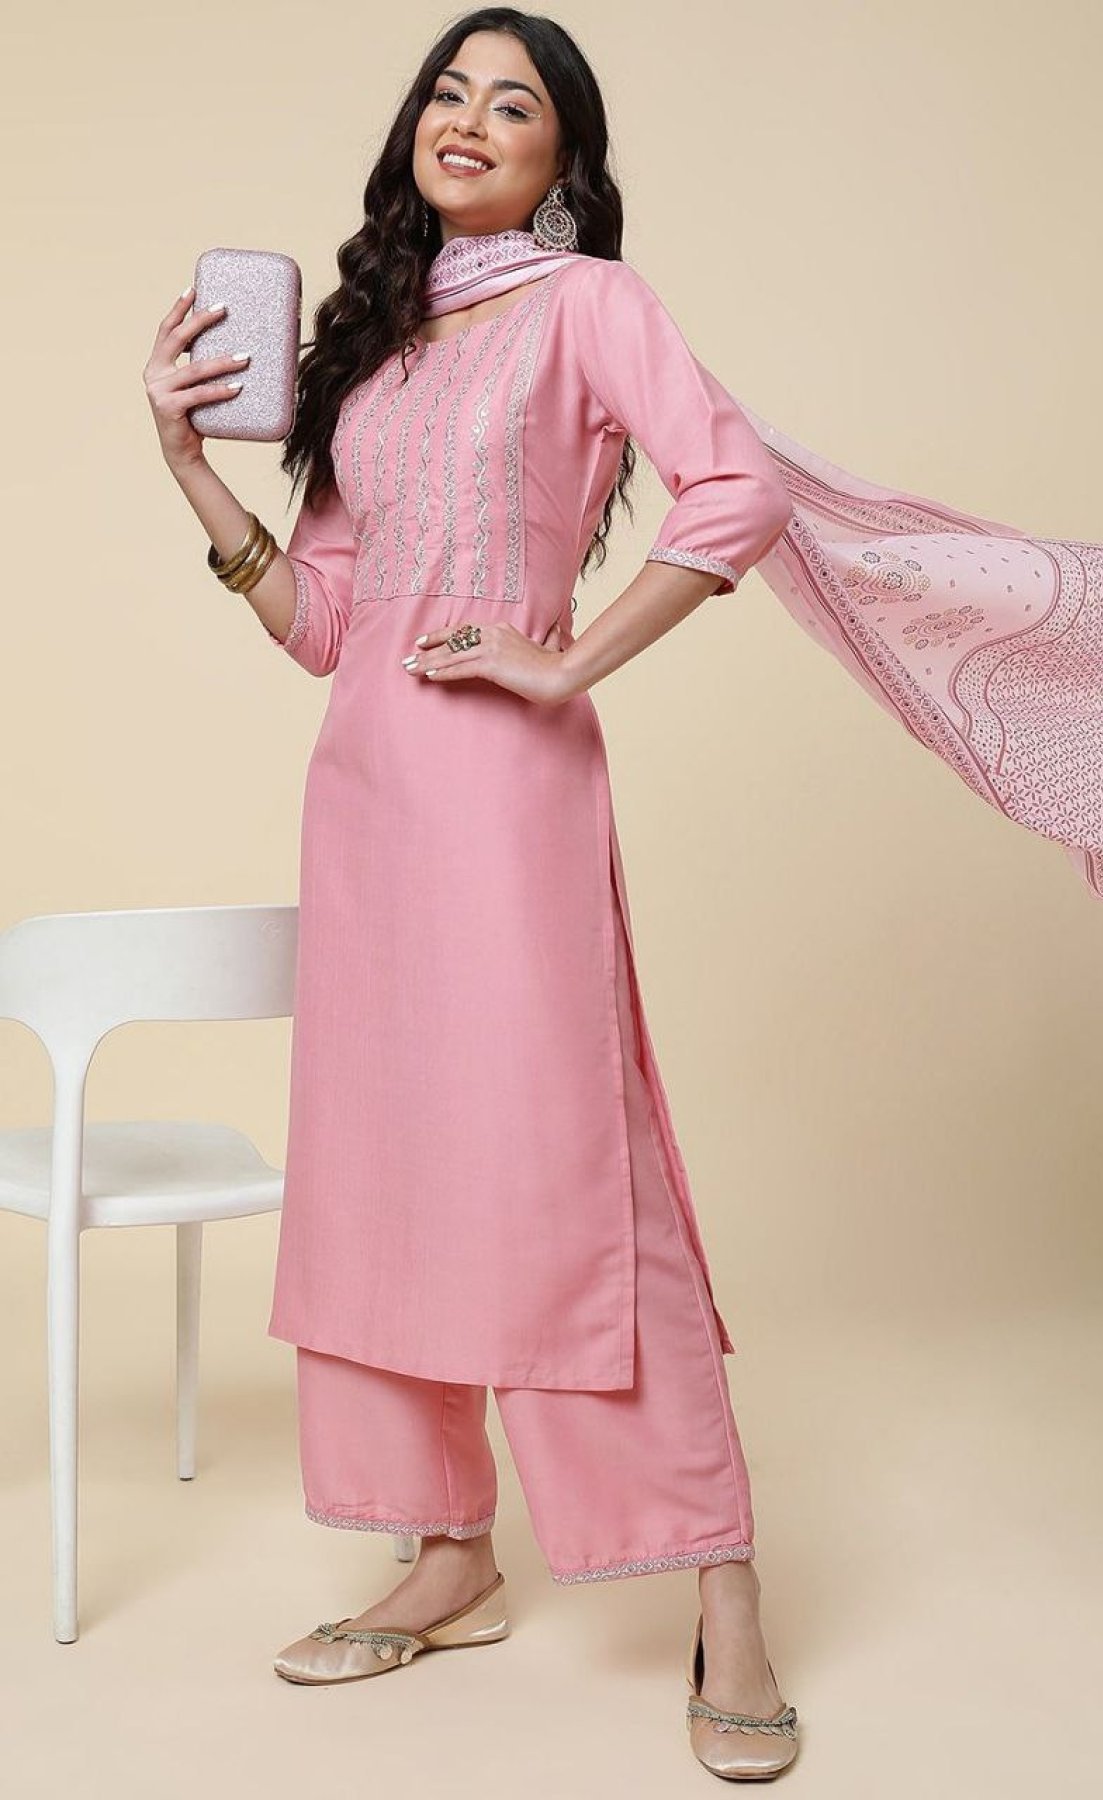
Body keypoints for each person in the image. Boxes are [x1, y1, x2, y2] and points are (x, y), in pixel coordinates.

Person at [144, 7, 800, 1783]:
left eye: (512, 104)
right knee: (384, 1175)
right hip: (364, 809)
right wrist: (192, 465)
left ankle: (722, 1590)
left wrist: (566, 658)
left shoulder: (591, 307)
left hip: (506, 805)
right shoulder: (369, 346)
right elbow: (326, 625)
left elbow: (734, 490)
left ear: (561, 160)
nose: (468, 118)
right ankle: (445, 1554)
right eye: (449, 89)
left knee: (571, 1170)